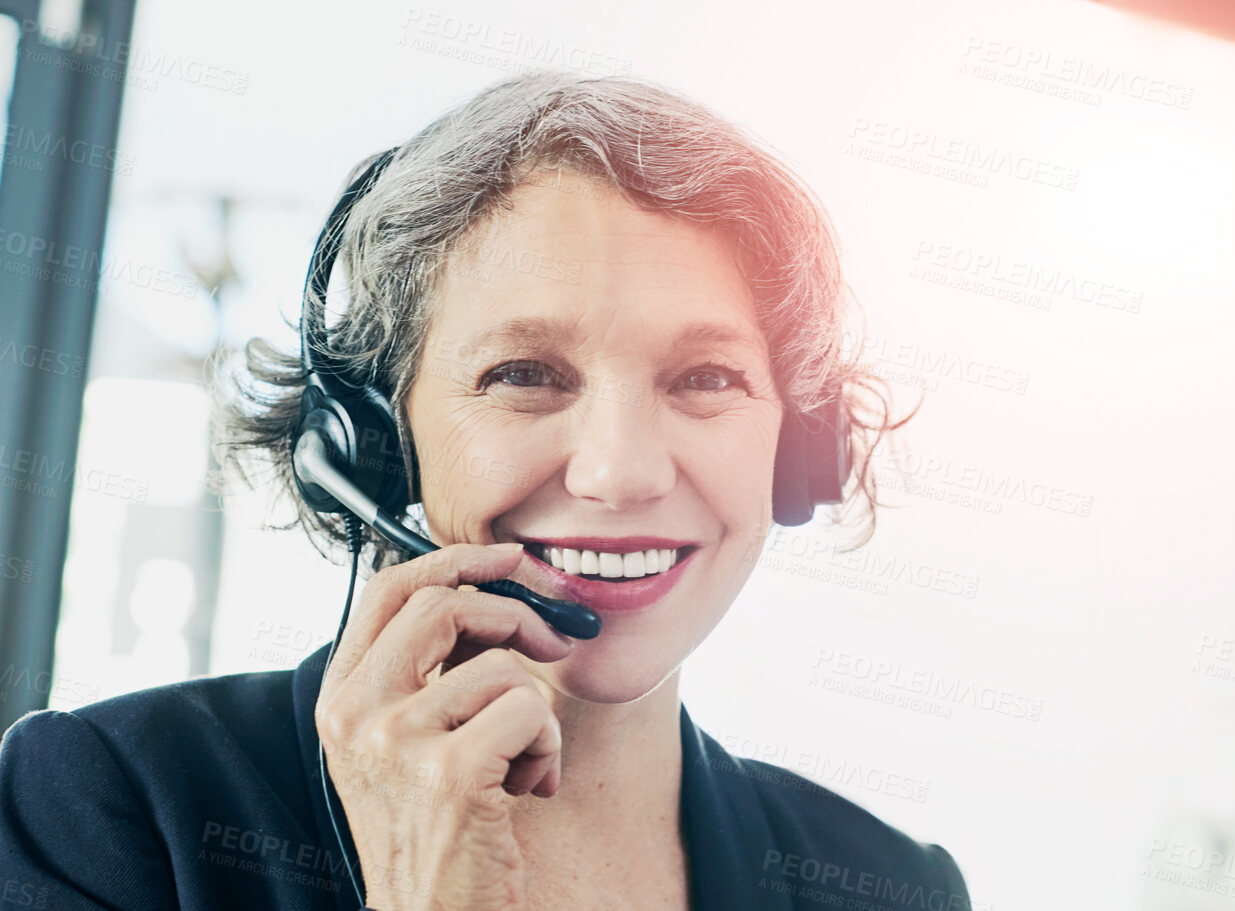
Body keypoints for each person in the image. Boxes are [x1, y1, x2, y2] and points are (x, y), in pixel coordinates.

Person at [0, 71, 965, 911]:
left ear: (796, 445)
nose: (621, 472)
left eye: (706, 379)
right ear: (375, 438)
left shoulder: (889, 883)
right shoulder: (110, 807)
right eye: (526, 374)